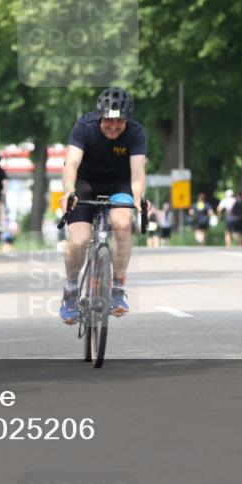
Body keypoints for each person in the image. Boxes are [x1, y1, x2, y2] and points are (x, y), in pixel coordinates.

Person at [59, 87, 147, 324]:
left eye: (120, 121)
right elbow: (72, 163)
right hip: (85, 183)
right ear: (100, 117)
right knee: (79, 240)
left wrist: (138, 197)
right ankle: (70, 290)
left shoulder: (136, 133)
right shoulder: (84, 127)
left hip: (119, 184)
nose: (114, 126)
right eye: (108, 120)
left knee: (122, 222)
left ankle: (117, 288)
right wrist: (69, 191)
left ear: (127, 119)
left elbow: (137, 172)